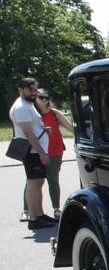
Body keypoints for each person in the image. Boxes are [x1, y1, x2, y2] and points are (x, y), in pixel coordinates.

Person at [9, 77, 55, 230]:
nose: (34, 93)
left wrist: (43, 130)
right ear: (21, 89)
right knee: (33, 183)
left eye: (35, 89)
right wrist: (42, 153)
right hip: (32, 151)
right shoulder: (21, 107)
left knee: (38, 182)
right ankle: (34, 219)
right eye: (31, 90)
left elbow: (33, 128)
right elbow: (28, 134)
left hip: (35, 150)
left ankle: (40, 214)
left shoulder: (28, 104)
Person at [34, 89, 73, 218]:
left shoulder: (54, 113)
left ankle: (56, 209)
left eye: (46, 97)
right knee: (33, 182)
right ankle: (28, 210)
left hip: (55, 152)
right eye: (41, 97)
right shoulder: (32, 114)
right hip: (36, 152)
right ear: (35, 98)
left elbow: (71, 128)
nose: (44, 100)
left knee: (53, 180)